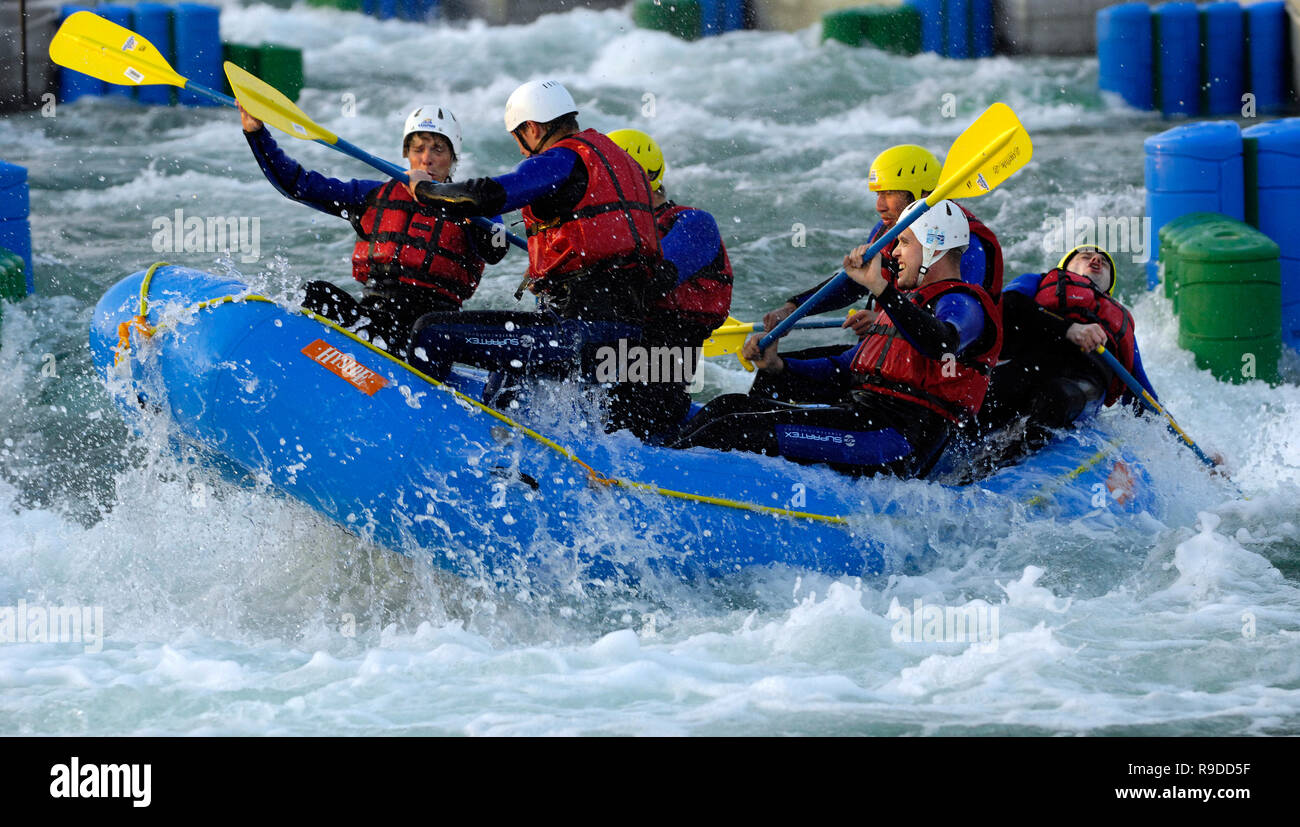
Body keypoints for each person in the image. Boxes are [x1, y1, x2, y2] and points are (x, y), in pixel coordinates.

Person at [670, 200, 1002, 479]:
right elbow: (847, 369)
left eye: (905, 243)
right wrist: (778, 365)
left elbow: (941, 343)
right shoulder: (904, 304)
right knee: (728, 406)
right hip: (863, 417)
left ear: (935, 246)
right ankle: (658, 460)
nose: (896, 254)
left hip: (895, 438)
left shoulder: (964, 302)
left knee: (730, 430)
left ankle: (663, 480)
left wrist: (880, 289)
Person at [401, 80, 663, 433]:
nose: (525, 154)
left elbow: (486, 196)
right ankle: (512, 461)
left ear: (533, 129)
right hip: (624, 344)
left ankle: (417, 434)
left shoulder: (563, 158)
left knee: (430, 333)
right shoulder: (622, 162)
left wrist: (424, 188)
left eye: (519, 140)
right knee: (505, 373)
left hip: (578, 334)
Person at [240, 103, 507, 357]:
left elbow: (495, 250)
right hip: (375, 319)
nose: (427, 159)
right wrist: (257, 134)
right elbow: (298, 186)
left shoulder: (473, 203)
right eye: (418, 148)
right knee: (316, 294)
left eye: (437, 149)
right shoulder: (373, 196)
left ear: (452, 157)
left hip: (431, 329)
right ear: (407, 154)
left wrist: (469, 210)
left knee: (425, 330)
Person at [752, 144, 1003, 404]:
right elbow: (853, 284)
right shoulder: (889, 231)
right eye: (878, 193)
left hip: (939, 381)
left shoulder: (962, 243)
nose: (880, 205)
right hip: (892, 357)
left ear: (923, 193)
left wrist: (885, 322)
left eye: (890, 193)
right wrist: (793, 309)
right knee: (771, 376)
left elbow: (953, 325)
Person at [606, 127, 733, 431]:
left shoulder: (694, 223)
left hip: (664, 362)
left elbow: (653, 280)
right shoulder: (607, 232)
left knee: (628, 413)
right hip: (613, 352)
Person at [979, 245, 1157, 435]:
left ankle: (1003, 458)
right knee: (981, 400)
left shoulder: (1120, 322)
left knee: (1057, 398)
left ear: (1109, 285)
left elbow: (1141, 393)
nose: (1096, 260)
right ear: (1065, 267)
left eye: (1104, 262)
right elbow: (1007, 305)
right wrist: (1068, 329)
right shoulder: (1037, 281)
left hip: (1083, 385)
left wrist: (1163, 428)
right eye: (1085, 256)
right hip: (1029, 365)